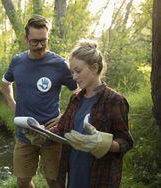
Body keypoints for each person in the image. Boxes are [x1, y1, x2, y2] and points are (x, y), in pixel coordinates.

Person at [1, 15, 78, 188]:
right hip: (24, 134)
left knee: (55, 181)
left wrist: (66, 115)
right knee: (22, 180)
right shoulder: (17, 61)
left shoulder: (59, 64)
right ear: (25, 38)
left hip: (52, 134)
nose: (39, 46)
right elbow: (5, 84)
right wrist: (12, 104)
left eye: (44, 41)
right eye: (34, 41)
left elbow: (80, 92)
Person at [49, 39, 134, 188]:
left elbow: (126, 142)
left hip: (100, 177)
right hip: (73, 175)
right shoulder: (75, 98)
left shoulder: (114, 100)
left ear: (94, 68)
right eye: (72, 72)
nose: (74, 77)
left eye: (78, 71)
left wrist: (103, 143)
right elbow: (61, 129)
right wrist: (41, 134)